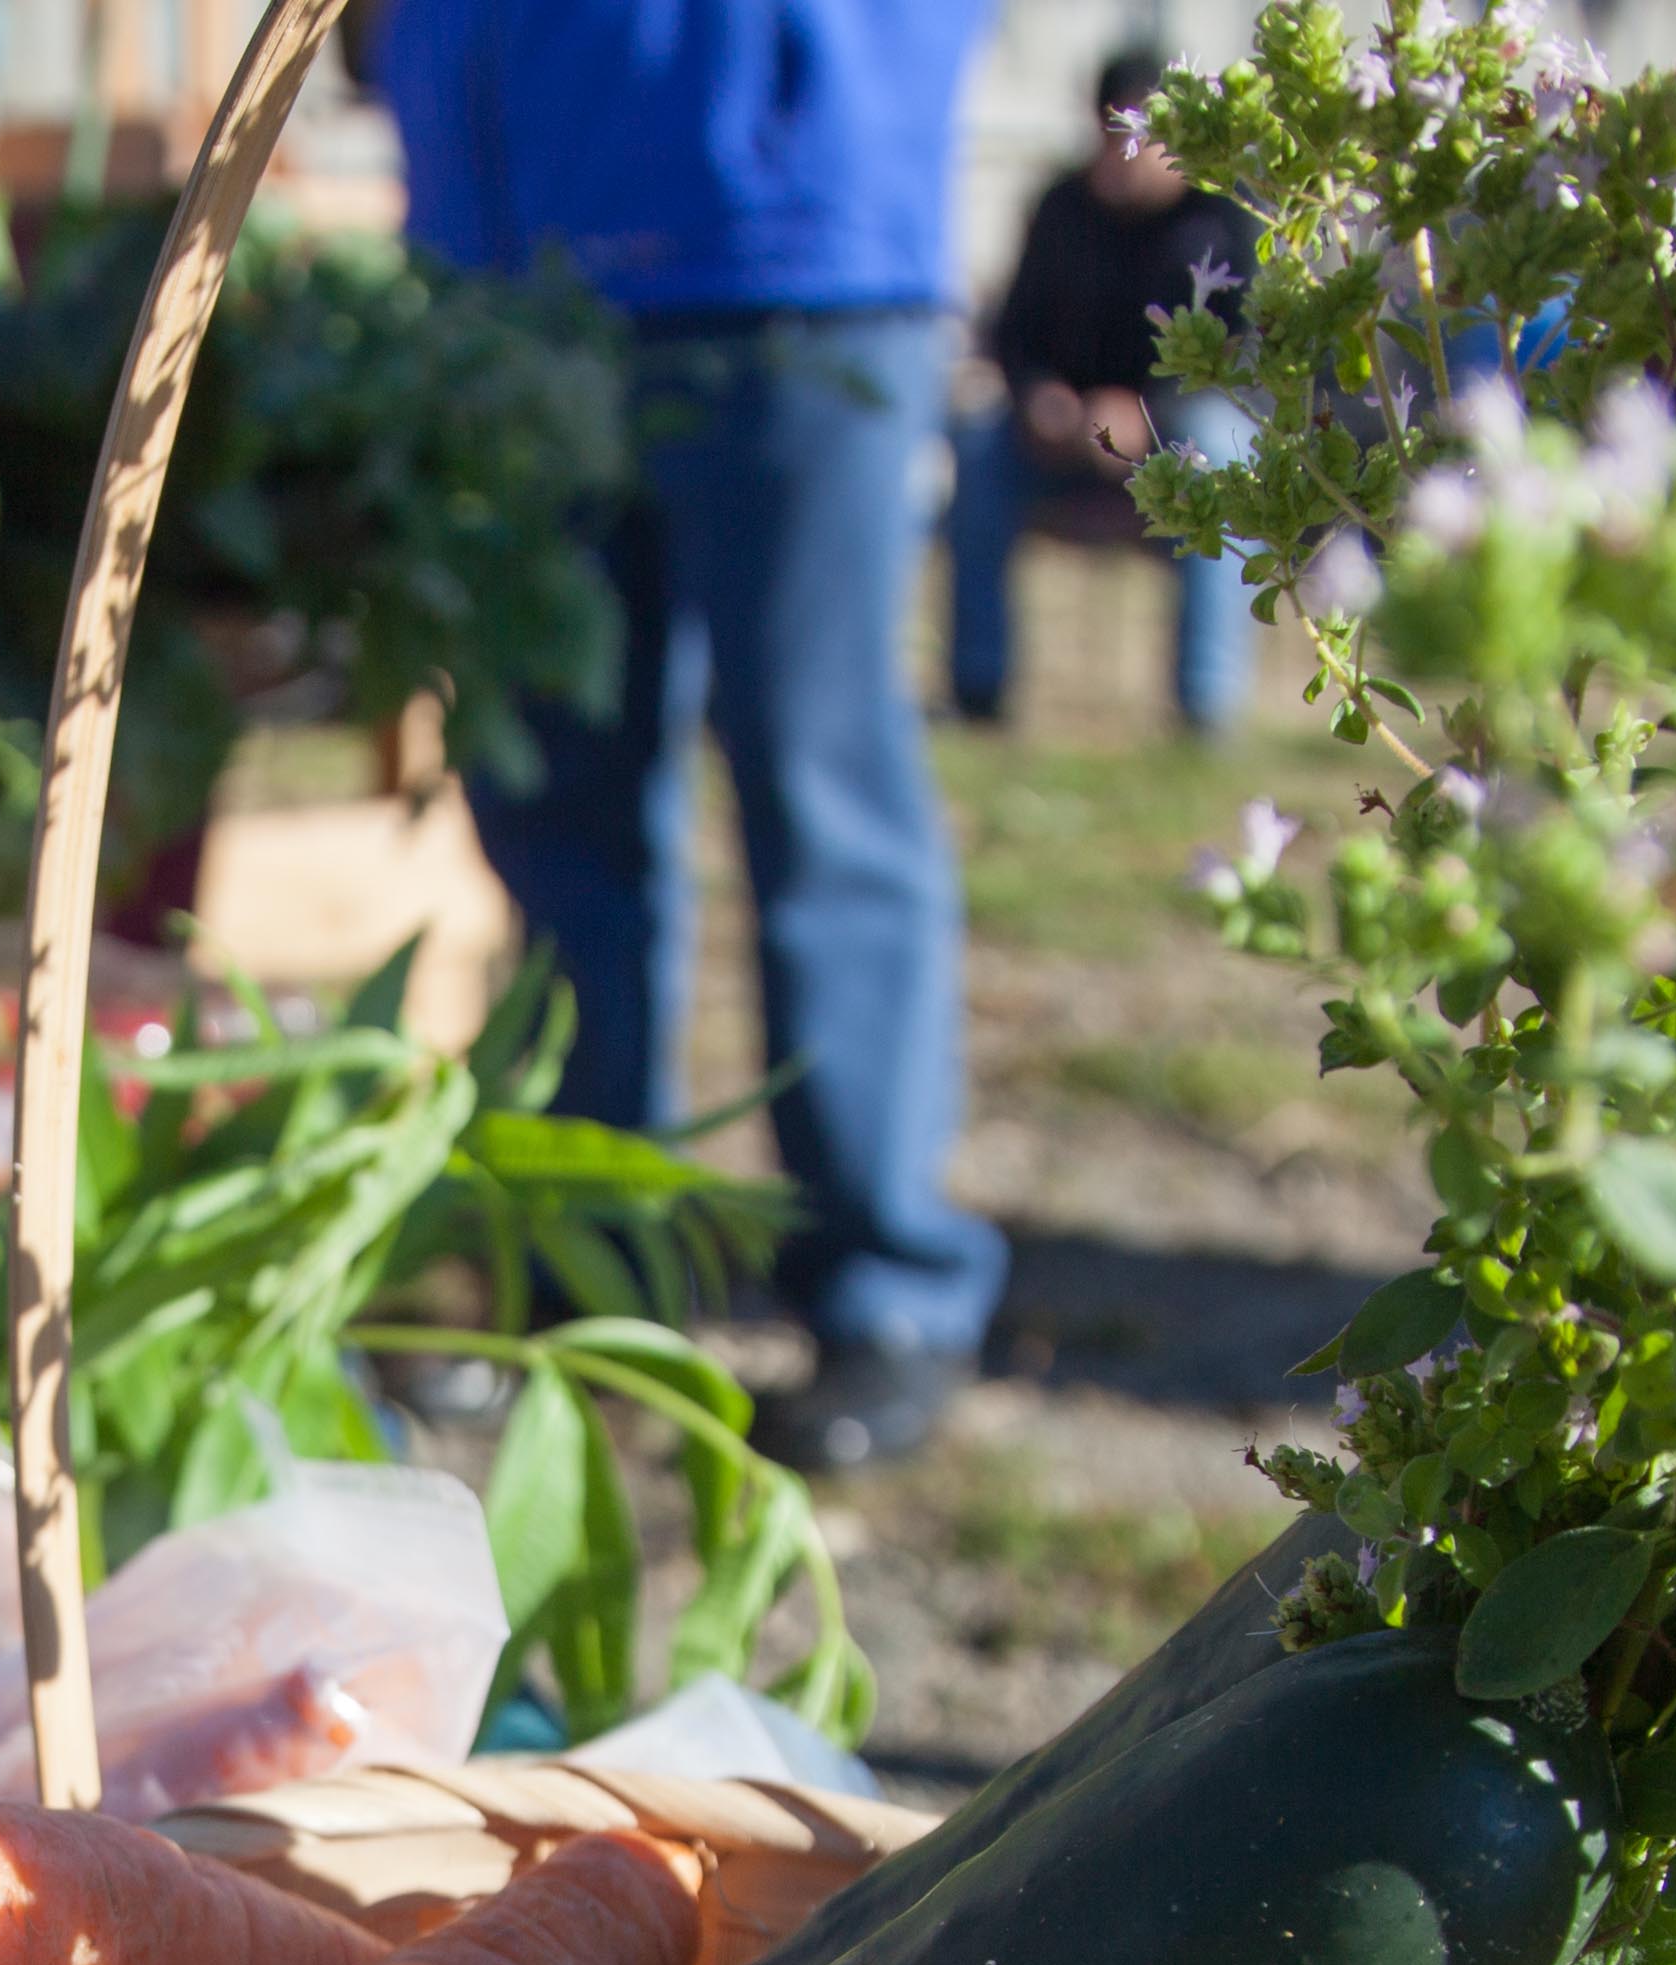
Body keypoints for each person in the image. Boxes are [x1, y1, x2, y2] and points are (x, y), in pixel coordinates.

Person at [374, 0, 1002, 1472]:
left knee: (820, 785)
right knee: (554, 812)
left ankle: (887, 1290)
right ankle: (586, 1276)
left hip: (790, 229)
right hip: (510, 248)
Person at [949, 48, 1258, 733]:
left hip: (1175, 434)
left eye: (1141, 139)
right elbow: (1016, 331)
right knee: (978, 448)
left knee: (1220, 447)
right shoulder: (1062, 207)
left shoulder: (1221, 215)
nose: (1125, 157)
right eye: (1113, 136)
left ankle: (1207, 702)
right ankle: (977, 687)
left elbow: (1247, 348)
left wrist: (1147, 412)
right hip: (1060, 439)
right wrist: (1038, 396)